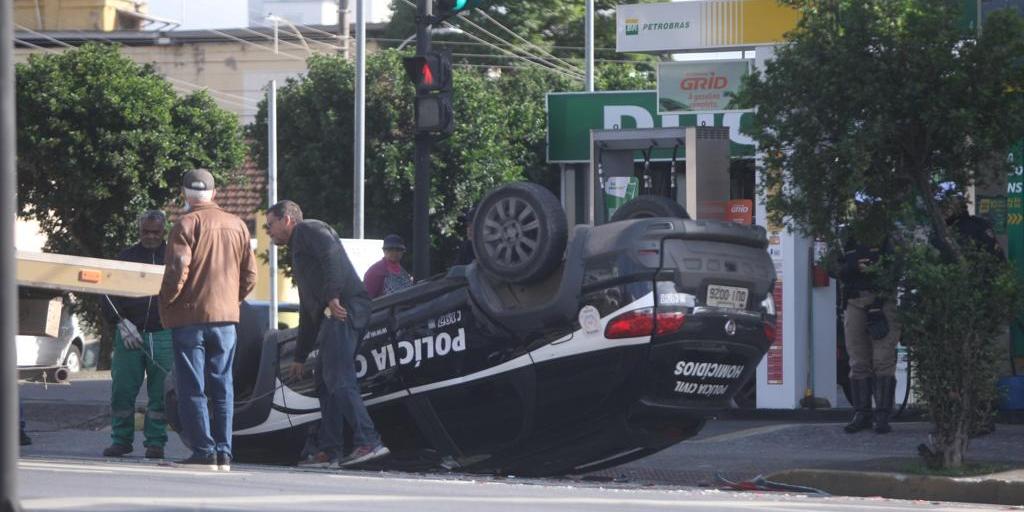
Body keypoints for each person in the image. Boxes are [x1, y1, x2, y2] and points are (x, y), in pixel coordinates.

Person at [264, 200, 389, 468]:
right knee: (324, 379)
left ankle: (369, 440)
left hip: (344, 308)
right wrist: (300, 355)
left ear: (287, 219)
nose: (267, 231)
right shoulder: (298, 249)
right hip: (335, 312)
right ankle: (330, 450)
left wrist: (332, 295)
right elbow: (309, 309)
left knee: (338, 376)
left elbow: (331, 254)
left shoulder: (309, 229)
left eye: (270, 224)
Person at [159, 169, 258, 471]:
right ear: (215, 194)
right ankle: (224, 453)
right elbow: (250, 276)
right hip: (226, 320)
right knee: (222, 385)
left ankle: (204, 451)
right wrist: (231, 299)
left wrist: (166, 302)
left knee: (192, 386)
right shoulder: (238, 225)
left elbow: (178, 270)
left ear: (184, 195)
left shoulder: (185, 223)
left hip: (189, 317)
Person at [101, 210, 173, 460]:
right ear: (139, 230)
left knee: (161, 393)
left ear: (164, 231)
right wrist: (121, 322)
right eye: (146, 231)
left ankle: (156, 443)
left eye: (156, 232)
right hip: (129, 332)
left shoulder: (173, 257)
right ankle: (120, 440)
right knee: (122, 390)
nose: (151, 236)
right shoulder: (126, 258)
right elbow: (107, 292)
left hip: (164, 334)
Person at [838, 231, 899, 434]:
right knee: (858, 360)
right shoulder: (847, 236)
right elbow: (831, 266)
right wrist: (852, 267)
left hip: (882, 301)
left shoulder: (887, 236)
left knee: (883, 359)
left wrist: (878, 271)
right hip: (854, 300)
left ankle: (882, 415)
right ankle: (861, 413)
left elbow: (897, 267)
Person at [363, 234, 413, 299]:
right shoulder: (374, 271)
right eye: (390, 249)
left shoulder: (404, 272)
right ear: (384, 251)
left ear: (402, 251)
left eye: (398, 249)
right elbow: (367, 300)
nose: (394, 252)